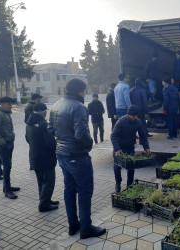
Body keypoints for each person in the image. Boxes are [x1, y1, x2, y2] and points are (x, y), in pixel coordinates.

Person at [49, 79, 106, 239]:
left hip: (62, 155)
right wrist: (89, 145)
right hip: (77, 156)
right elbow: (81, 134)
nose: (85, 93)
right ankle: (86, 228)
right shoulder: (79, 107)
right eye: (84, 91)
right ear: (79, 91)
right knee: (85, 191)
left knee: (69, 189)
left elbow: (50, 129)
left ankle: (73, 224)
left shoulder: (55, 105)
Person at [26, 102, 59, 212]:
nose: (46, 113)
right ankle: (44, 205)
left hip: (34, 156)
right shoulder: (43, 124)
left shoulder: (29, 123)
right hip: (45, 158)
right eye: (45, 111)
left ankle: (45, 200)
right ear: (43, 112)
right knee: (49, 181)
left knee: (41, 181)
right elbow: (49, 143)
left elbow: (27, 139)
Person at [111, 105, 150, 192]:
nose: (136, 117)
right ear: (129, 115)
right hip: (120, 148)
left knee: (131, 167)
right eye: (134, 115)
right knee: (117, 167)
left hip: (130, 148)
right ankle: (118, 182)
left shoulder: (138, 122)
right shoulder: (121, 122)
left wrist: (146, 147)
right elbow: (113, 136)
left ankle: (129, 184)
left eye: (137, 115)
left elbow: (143, 135)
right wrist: (117, 149)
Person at [0, 97, 20, 199]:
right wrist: (2, 143)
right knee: (7, 167)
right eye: (9, 103)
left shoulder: (6, 112)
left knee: (8, 166)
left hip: (9, 143)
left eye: (11, 103)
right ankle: (7, 190)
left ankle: (6, 186)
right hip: (3, 145)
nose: (11, 105)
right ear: (2, 104)